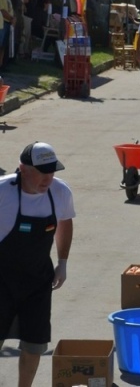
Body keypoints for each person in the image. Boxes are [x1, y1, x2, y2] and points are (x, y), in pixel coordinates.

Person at [0, 143, 74, 387]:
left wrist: (62, 262)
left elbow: (65, 223)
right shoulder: (3, 192)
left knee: (35, 343)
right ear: (23, 169)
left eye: (52, 172)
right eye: (42, 172)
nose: (48, 179)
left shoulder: (60, 192)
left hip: (37, 281)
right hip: (1, 280)